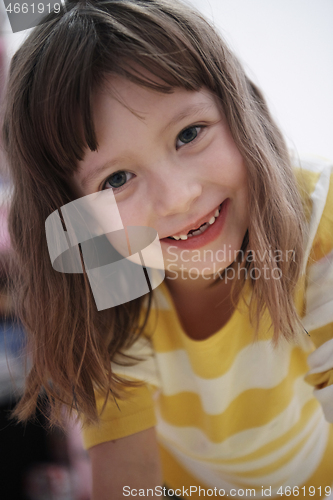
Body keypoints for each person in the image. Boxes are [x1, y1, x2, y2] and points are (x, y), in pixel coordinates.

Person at [2, 0, 333, 498]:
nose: (178, 196)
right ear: (77, 218)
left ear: (239, 108)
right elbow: (126, 467)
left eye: (189, 134)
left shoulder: (316, 225)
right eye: (116, 179)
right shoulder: (106, 264)